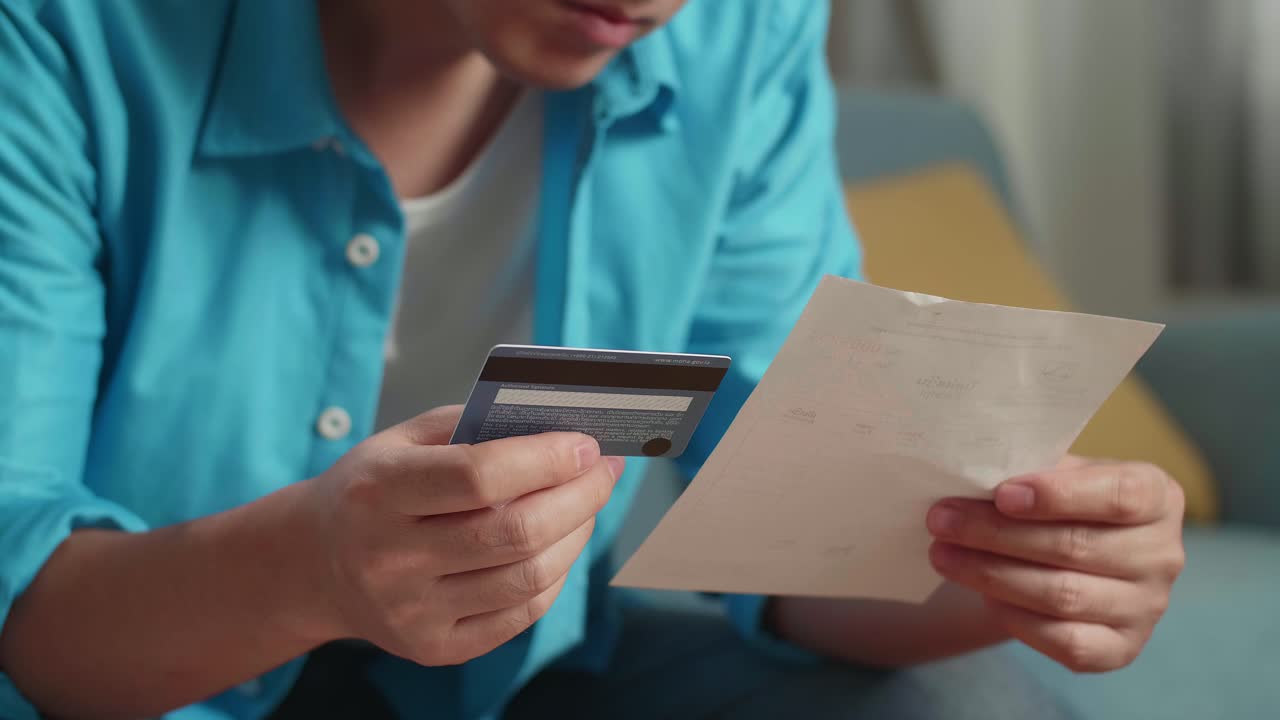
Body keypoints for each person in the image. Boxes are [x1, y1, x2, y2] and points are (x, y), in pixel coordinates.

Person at [0, 1, 1185, 718]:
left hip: (514, 691)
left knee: (964, 698)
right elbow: (21, 611)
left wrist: (999, 568)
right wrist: (314, 571)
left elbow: (789, 525)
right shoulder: (61, 39)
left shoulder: (741, 38)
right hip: (127, 685)